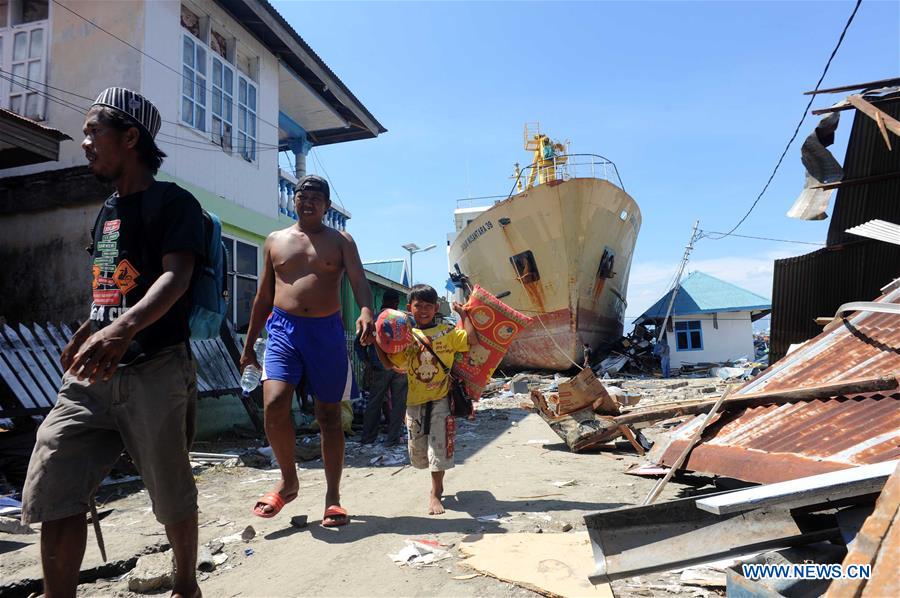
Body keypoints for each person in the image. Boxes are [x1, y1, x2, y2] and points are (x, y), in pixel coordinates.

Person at [21, 88, 204, 598]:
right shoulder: (105, 212)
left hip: (156, 370)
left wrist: (122, 330)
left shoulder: (174, 203)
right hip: (93, 375)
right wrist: (90, 329)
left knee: (170, 495)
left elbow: (176, 277)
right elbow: (110, 287)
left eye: (92, 131)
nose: (84, 142)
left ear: (130, 137)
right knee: (55, 481)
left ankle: (186, 586)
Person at [241, 175, 374, 527]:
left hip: (326, 333)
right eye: (302, 195)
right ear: (295, 200)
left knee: (329, 417)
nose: (308, 201)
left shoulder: (340, 241)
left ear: (327, 206)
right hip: (283, 330)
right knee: (273, 404)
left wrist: (365, 311)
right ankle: (288, 480)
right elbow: (263, 295)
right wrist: (248, 343)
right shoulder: (275, 240)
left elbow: (359, 280)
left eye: (316, 197)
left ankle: (333, 498)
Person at [375, 285, 478, 515]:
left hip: (442, 399)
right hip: (414, 403)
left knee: (438, 450)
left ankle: (435, 492)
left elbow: (470, 339)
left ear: (436, 308)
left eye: (428, 306)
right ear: (409, 308)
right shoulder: (406, 337)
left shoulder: (446, 332)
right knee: (419, 455)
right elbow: (389, 364)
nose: (423, 310)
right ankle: (436, 483)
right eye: (418, 305)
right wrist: (377, 340)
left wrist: (464, 315)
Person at [357, 290, 408, 446]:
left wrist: (366, 361)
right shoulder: (402, 319)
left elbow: (358, 342)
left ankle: (368, 438)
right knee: (399, 403)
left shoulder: (374, 319)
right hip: (400, 368)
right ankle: (393, 438)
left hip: (379, 367)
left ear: (383, 301)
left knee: (374, 402)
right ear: (396, 303)